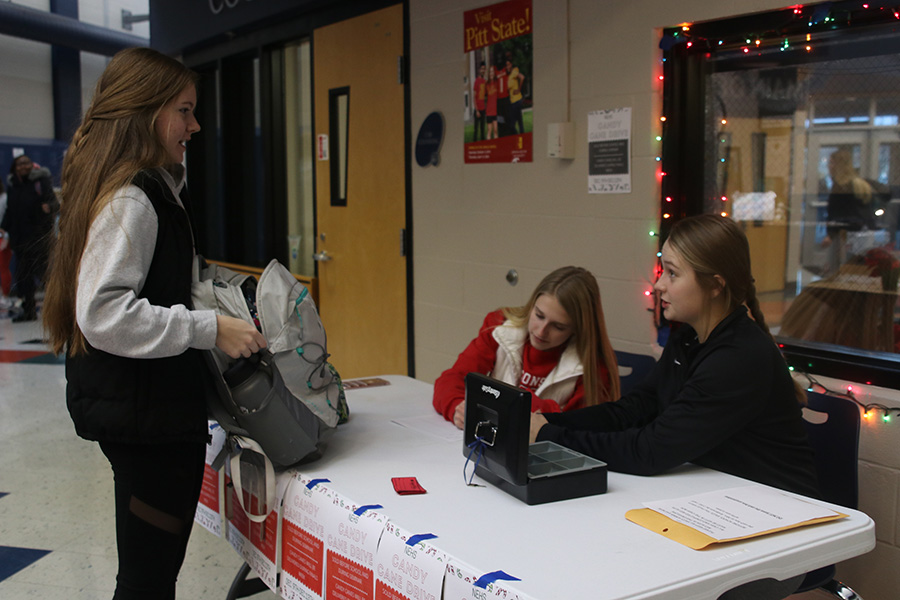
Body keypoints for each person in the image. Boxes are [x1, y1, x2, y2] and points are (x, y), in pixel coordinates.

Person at [42, 47, 267, 600]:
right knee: (147, 582)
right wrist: (209, 327)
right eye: (184, 111)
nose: (195, 124)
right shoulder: (135, 198)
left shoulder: (144, 188)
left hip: (138, 414)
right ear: (146, 112)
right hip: (149, 423)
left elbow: (153, 283)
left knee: (147, 576)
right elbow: (104, 314)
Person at [529, 215, 819, 600]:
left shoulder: (739, 357)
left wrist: (549, 436)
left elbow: (650, 451)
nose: (660, 285)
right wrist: (546, 421)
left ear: (715, 285)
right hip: (711, 502)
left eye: (672, 274)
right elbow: (632, 410)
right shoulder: (689, 339)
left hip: (771, 531)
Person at [434, 266, 621, 429]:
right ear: (531, 305)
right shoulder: (500, 326)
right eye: (539, 315)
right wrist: (457, 406)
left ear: (578, 329)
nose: (541, 331)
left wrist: (501, 401)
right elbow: (451, 379)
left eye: (558, 327)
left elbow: (581, 426)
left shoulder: (594, 364)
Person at [0, 154, 58, 321]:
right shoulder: (13, 185)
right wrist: (3, 227)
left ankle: (60, 307)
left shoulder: (42, 181)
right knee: (23, 278)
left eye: (26, 163)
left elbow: (55, 203)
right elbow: (10, 211)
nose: (23, 167)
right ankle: (29, 311)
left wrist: (50, 208)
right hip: (20, 240)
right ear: (15, 168)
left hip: (39, 238)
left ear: (32, 165)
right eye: (19, 164)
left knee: (45, 275)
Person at [0, 179, 13, 310]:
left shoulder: (5, 199)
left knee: (3, 268)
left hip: (3, 237)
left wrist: (6, 237)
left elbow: (9, 218)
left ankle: (5, 296)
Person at [506, 56, 525, 135]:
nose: (508, 66)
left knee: (513, 124)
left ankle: (520, 137)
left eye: (509, 64)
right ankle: (520, 136)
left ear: (511, 65)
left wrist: (518, 90)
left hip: (516, 101)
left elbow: (522, 77)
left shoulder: (514, 72)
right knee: (518, 122)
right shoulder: (509, 76)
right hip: (513, 101)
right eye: (506, 65)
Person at [472, 61, 487, 142]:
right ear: (479, 70)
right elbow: (474, 97)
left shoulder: (485, 81)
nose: (483, 70)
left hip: (483, 109)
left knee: (482, 129)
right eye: (482, 69)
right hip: (477, 110)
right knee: (476, 130)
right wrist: (477, 110)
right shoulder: (476, 81)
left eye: (484, 69)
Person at [485, 65, 499, 140]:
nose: (491, 73)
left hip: (495, 111)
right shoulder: (486, 84)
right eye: (490, 72)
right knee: (489, 131)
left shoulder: (497, 83)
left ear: (494, 73)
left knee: (496, 131)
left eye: (492, 71)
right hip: (489, 111)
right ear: (488, 73)